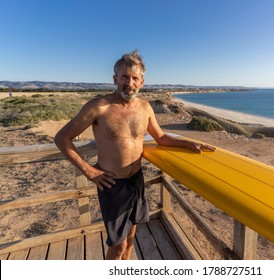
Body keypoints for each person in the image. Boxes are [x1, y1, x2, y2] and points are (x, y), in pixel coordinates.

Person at [54, 49, 215, 260]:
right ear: (115, 79)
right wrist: (89, 171)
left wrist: (187, 142)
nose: (129, 83)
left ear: (142, 82)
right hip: (112, 184)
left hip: (137, 180)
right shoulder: (98, 107)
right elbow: (62, 138)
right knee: (118, 245)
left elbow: (161, 138)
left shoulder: (145, 107)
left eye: (135, 78)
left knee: (131, 235)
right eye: (124, 77)